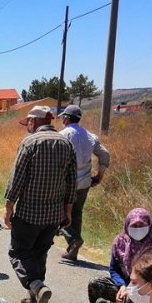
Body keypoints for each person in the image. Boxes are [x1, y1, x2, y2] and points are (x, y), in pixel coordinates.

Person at [3, 106, 77, 303]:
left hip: (29, 212)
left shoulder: (30, 142)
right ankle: (34, 295)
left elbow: (17, 178)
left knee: (18, 252)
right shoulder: (66, 144)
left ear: (33, 122)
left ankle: (36, 285)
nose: (27, 126)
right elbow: (71, 181)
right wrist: (68, 210)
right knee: (39, 253)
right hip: (53, 214)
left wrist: (9, 207)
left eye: (27, 122)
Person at [89, 208, 152, 303]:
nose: (138, 229)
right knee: (95, 283)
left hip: (146, 287)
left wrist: (131, 290)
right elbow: (114, 269)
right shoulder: (119, 242)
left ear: (149, 225)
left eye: (141, 225)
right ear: (127, 225)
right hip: (125, 284)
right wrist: (122, 287)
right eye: (134, 226)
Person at [57, 105, 110, 261]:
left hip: (65, 183)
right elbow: (105, 154)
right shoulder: (90, 136)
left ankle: (74, 239)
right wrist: (99, 176)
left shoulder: (62, 136)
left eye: (63, 117)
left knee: (58, 212)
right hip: (84, 182)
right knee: (76, 213)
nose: (62, 119)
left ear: (67, 118)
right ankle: (72, 250)